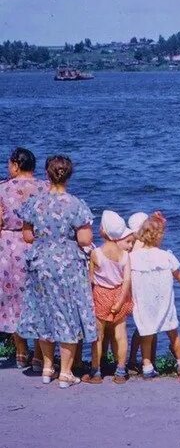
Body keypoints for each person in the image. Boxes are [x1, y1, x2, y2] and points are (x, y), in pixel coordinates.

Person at [15, 155, 96, 388]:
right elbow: (84, 239)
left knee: (45, 314)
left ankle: (48, 367)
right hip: (67, 264)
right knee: (67, 315)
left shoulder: (35, 203)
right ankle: (66, 372)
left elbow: (28, 236)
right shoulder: (76, 204)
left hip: (41, 262)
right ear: (69, 175)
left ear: (47, 174)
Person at [130, 212, 180, 379]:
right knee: (172, 332)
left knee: (146, 332)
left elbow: (126, 279)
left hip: (144, 301)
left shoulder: (132, 258)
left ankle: (147, 365)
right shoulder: (166, 256)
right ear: (158, 236)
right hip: (164, 301)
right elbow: (179, 275)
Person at [0, 147, 48, 369]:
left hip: (10, 249)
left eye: (9, 164)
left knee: (13, 300)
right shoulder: (46, 188)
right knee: (39, 299)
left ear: (16, 166)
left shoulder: (2, 189)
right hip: (38, 246)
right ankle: (40, 355)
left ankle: (21, 352)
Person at [83, 210, 135, 384]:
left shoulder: (96, 253)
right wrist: (120, 301)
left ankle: (96, 372)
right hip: (119, 293)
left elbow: (90, 279)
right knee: (120, 334)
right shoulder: (125, 255)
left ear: (103, 231)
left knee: (98, 335)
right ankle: (120, 371)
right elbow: (127, 280)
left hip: (100, 294)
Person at [125, 211, 149, 373]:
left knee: (143, 326)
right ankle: (138, 359)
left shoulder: (131, 243)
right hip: (142, 289)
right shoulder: (140, 245)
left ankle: (134, 359)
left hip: (135, 288)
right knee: (145, 326)